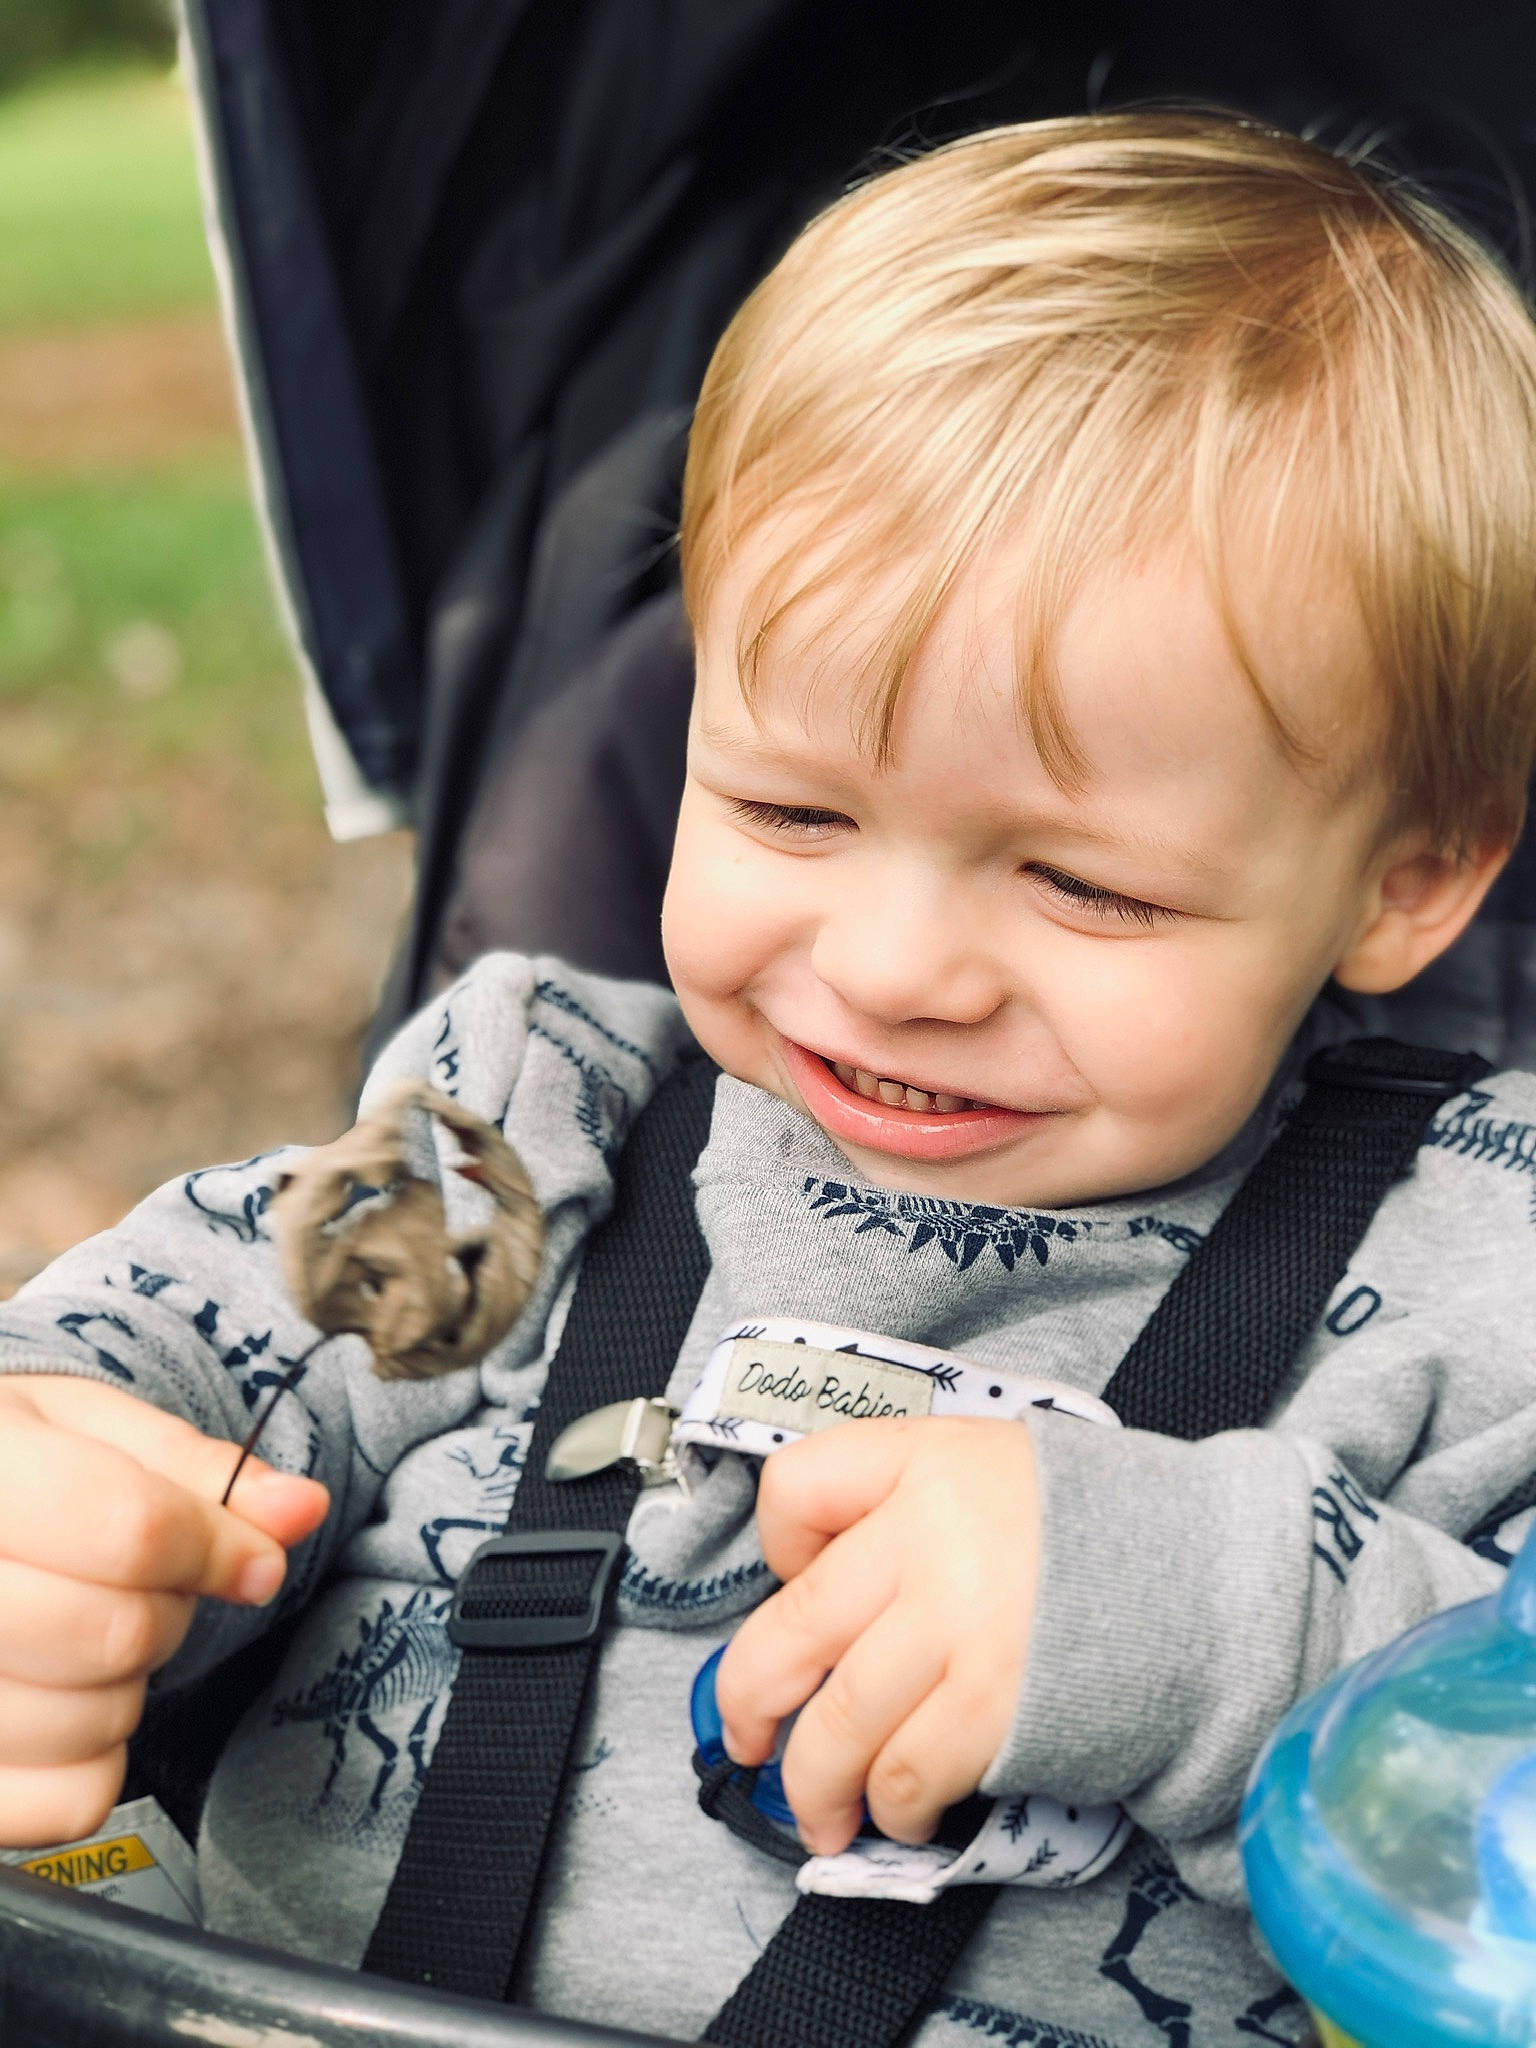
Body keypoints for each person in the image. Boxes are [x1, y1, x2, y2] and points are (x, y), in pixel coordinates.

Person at [3, 109, 1536, 2045]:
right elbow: (177, 1345)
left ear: (1410, 876)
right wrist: (53, 1493)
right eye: (792, 807)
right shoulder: (528, 1114)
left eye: (1082, 881)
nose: (889, 969)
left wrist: (1191, 1620)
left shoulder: (1486, 1265)